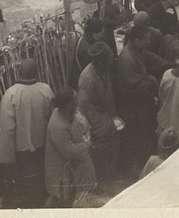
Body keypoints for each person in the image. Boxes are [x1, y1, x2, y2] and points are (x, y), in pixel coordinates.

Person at [0, 58, 53, 208]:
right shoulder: (45, 90)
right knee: (42, 175)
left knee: (27, 179)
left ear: (19, 73)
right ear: (37, 72)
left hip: (22, 147)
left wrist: (6, 156)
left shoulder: (11, 94)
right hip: (43, 144)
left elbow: (7, 127)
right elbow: (51, 117)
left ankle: (32, 203)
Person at [116, 26, 171, 176]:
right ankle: (132, 169)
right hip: (132, 108)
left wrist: (172, 65)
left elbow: (155, 61)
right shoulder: (128, 59)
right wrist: (152, 80)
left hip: (140, 106)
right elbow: (134, 88)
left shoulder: (139, 51)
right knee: (135, 138)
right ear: (136, 40)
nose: (149, 42)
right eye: (146, 39)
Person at [77, 42, 120, 190]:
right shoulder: (87, 80)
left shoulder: (103, 70)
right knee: (102, 158)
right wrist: (106, 123)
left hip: (108, 120)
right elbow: (85, 110)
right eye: (109, 60)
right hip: (98, 127)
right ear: (101, 62)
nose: (112, 62)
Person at [45, 87, 97, 208]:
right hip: (62, 169)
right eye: (74, 100)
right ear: (66, 105)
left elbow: (84, 125)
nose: (77, 102)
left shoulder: (71, 112)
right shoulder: (57, 125)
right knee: (64, 199)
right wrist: (87, 145)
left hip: (75, 164)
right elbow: (69, 151)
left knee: (78, 194)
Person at [70, 18, 106, 88]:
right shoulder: (88, 50)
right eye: (101, 33)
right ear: (94, 33)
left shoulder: (83, 38)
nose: (103, 36)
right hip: (81, 84)